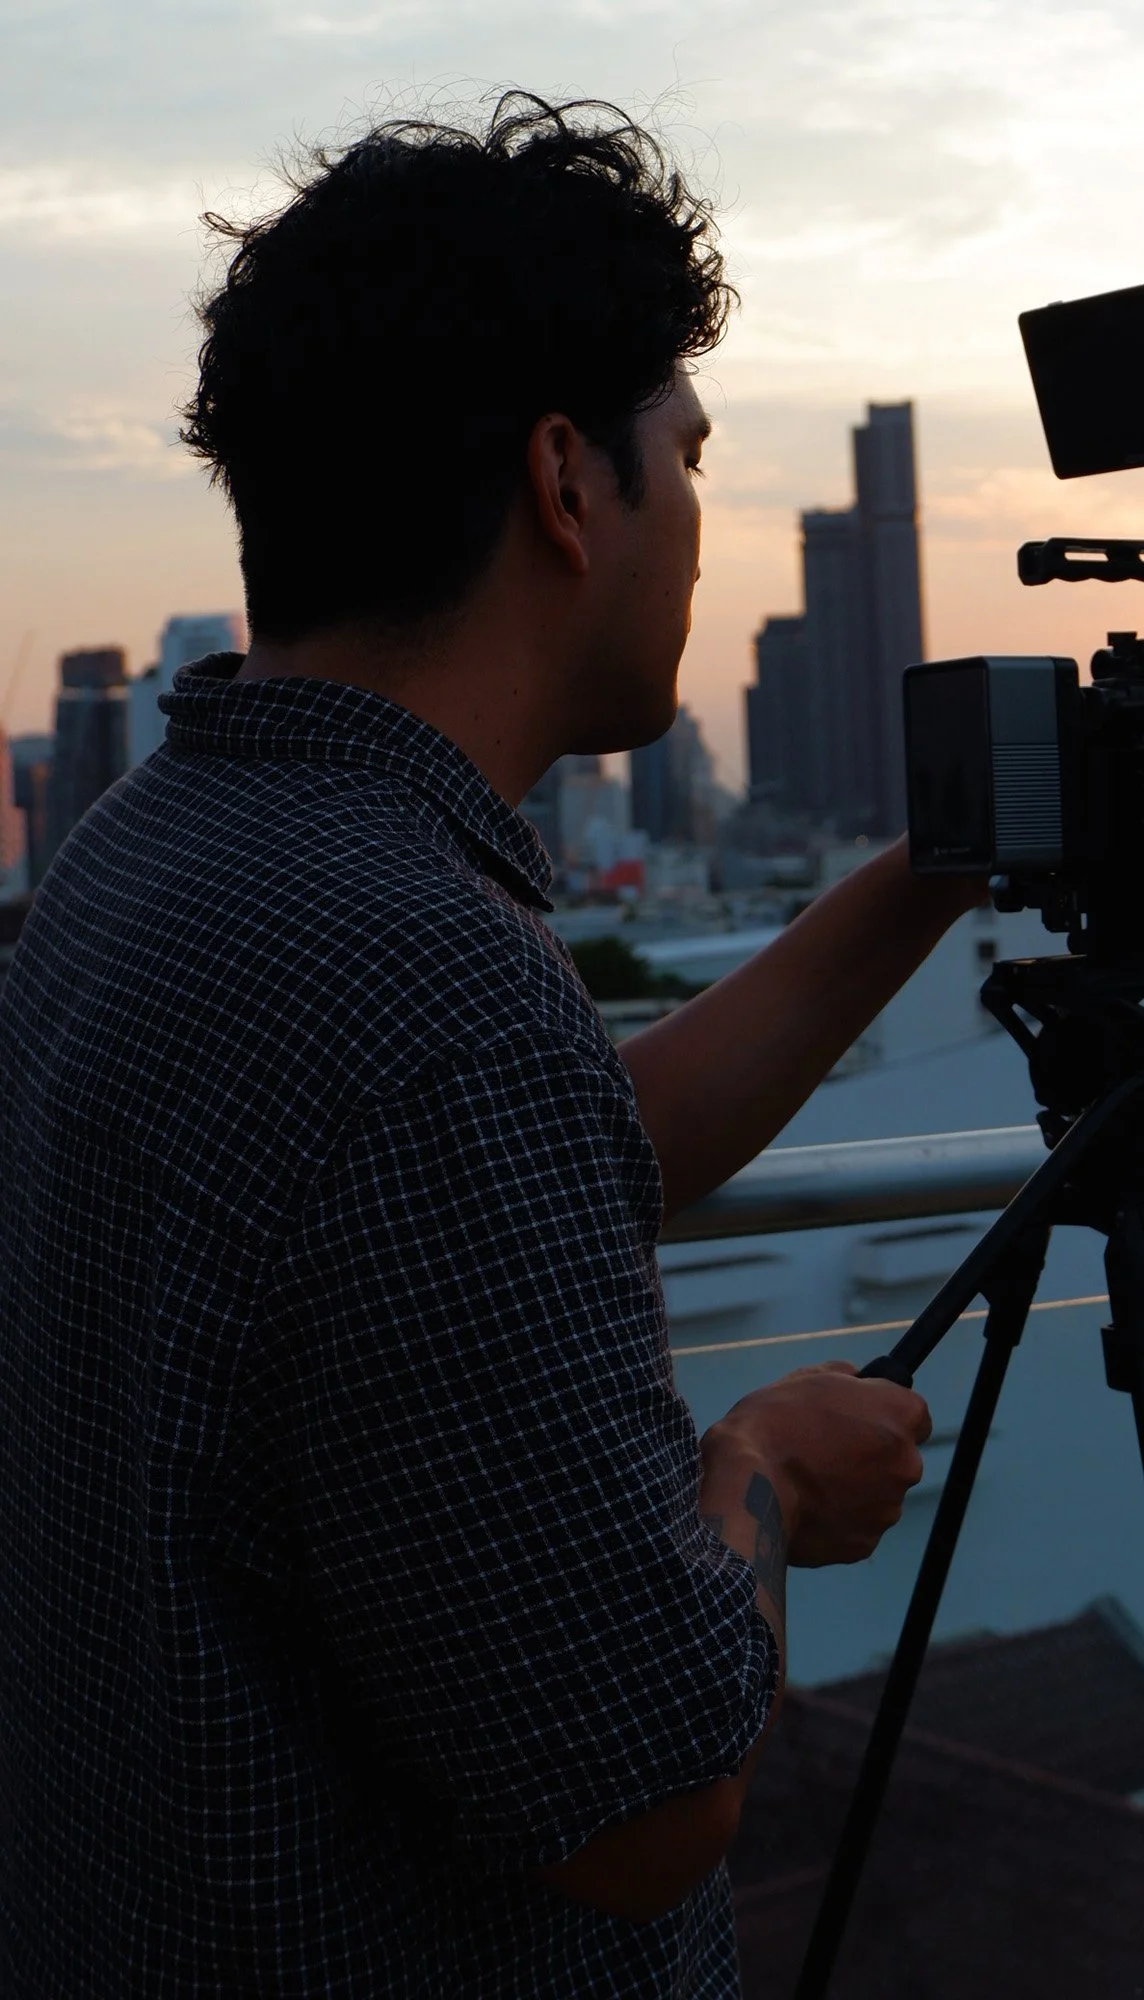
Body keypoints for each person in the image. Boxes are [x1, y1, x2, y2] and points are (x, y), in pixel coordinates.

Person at [0, 95, 979, 1997]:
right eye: (686, 459)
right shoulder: (430, 994)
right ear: (565, 481)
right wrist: (765, 1459)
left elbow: (523, 1172)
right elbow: (643, 1807)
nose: (701, 524)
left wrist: (925, 880)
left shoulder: (152, 856)